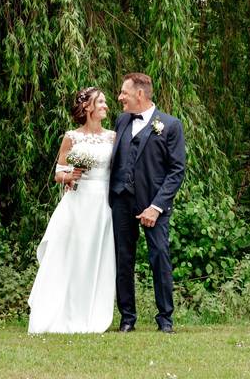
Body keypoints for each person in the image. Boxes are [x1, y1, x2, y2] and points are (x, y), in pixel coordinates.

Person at [27, 87, 117, 334]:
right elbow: (58, 173)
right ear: (87, 107)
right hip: (77, 202)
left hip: (103, 205)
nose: (106, 105)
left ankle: (93, 313)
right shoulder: (71, 137)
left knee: (96, 257)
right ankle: (62, 312)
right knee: (71, 255)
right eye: (101, 101)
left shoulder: (112, 137)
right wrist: (71, 174)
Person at [109, 73, 186, 334]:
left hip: (153, 204)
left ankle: (165, 319)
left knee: (159, 258)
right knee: (123, 260)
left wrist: (156, 207)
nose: (119, 97)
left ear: (139, 95)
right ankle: (127, 318)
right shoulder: (121, 121)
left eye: (124, 93)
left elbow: (177, 170)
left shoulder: (170, 125)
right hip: (121, 201)